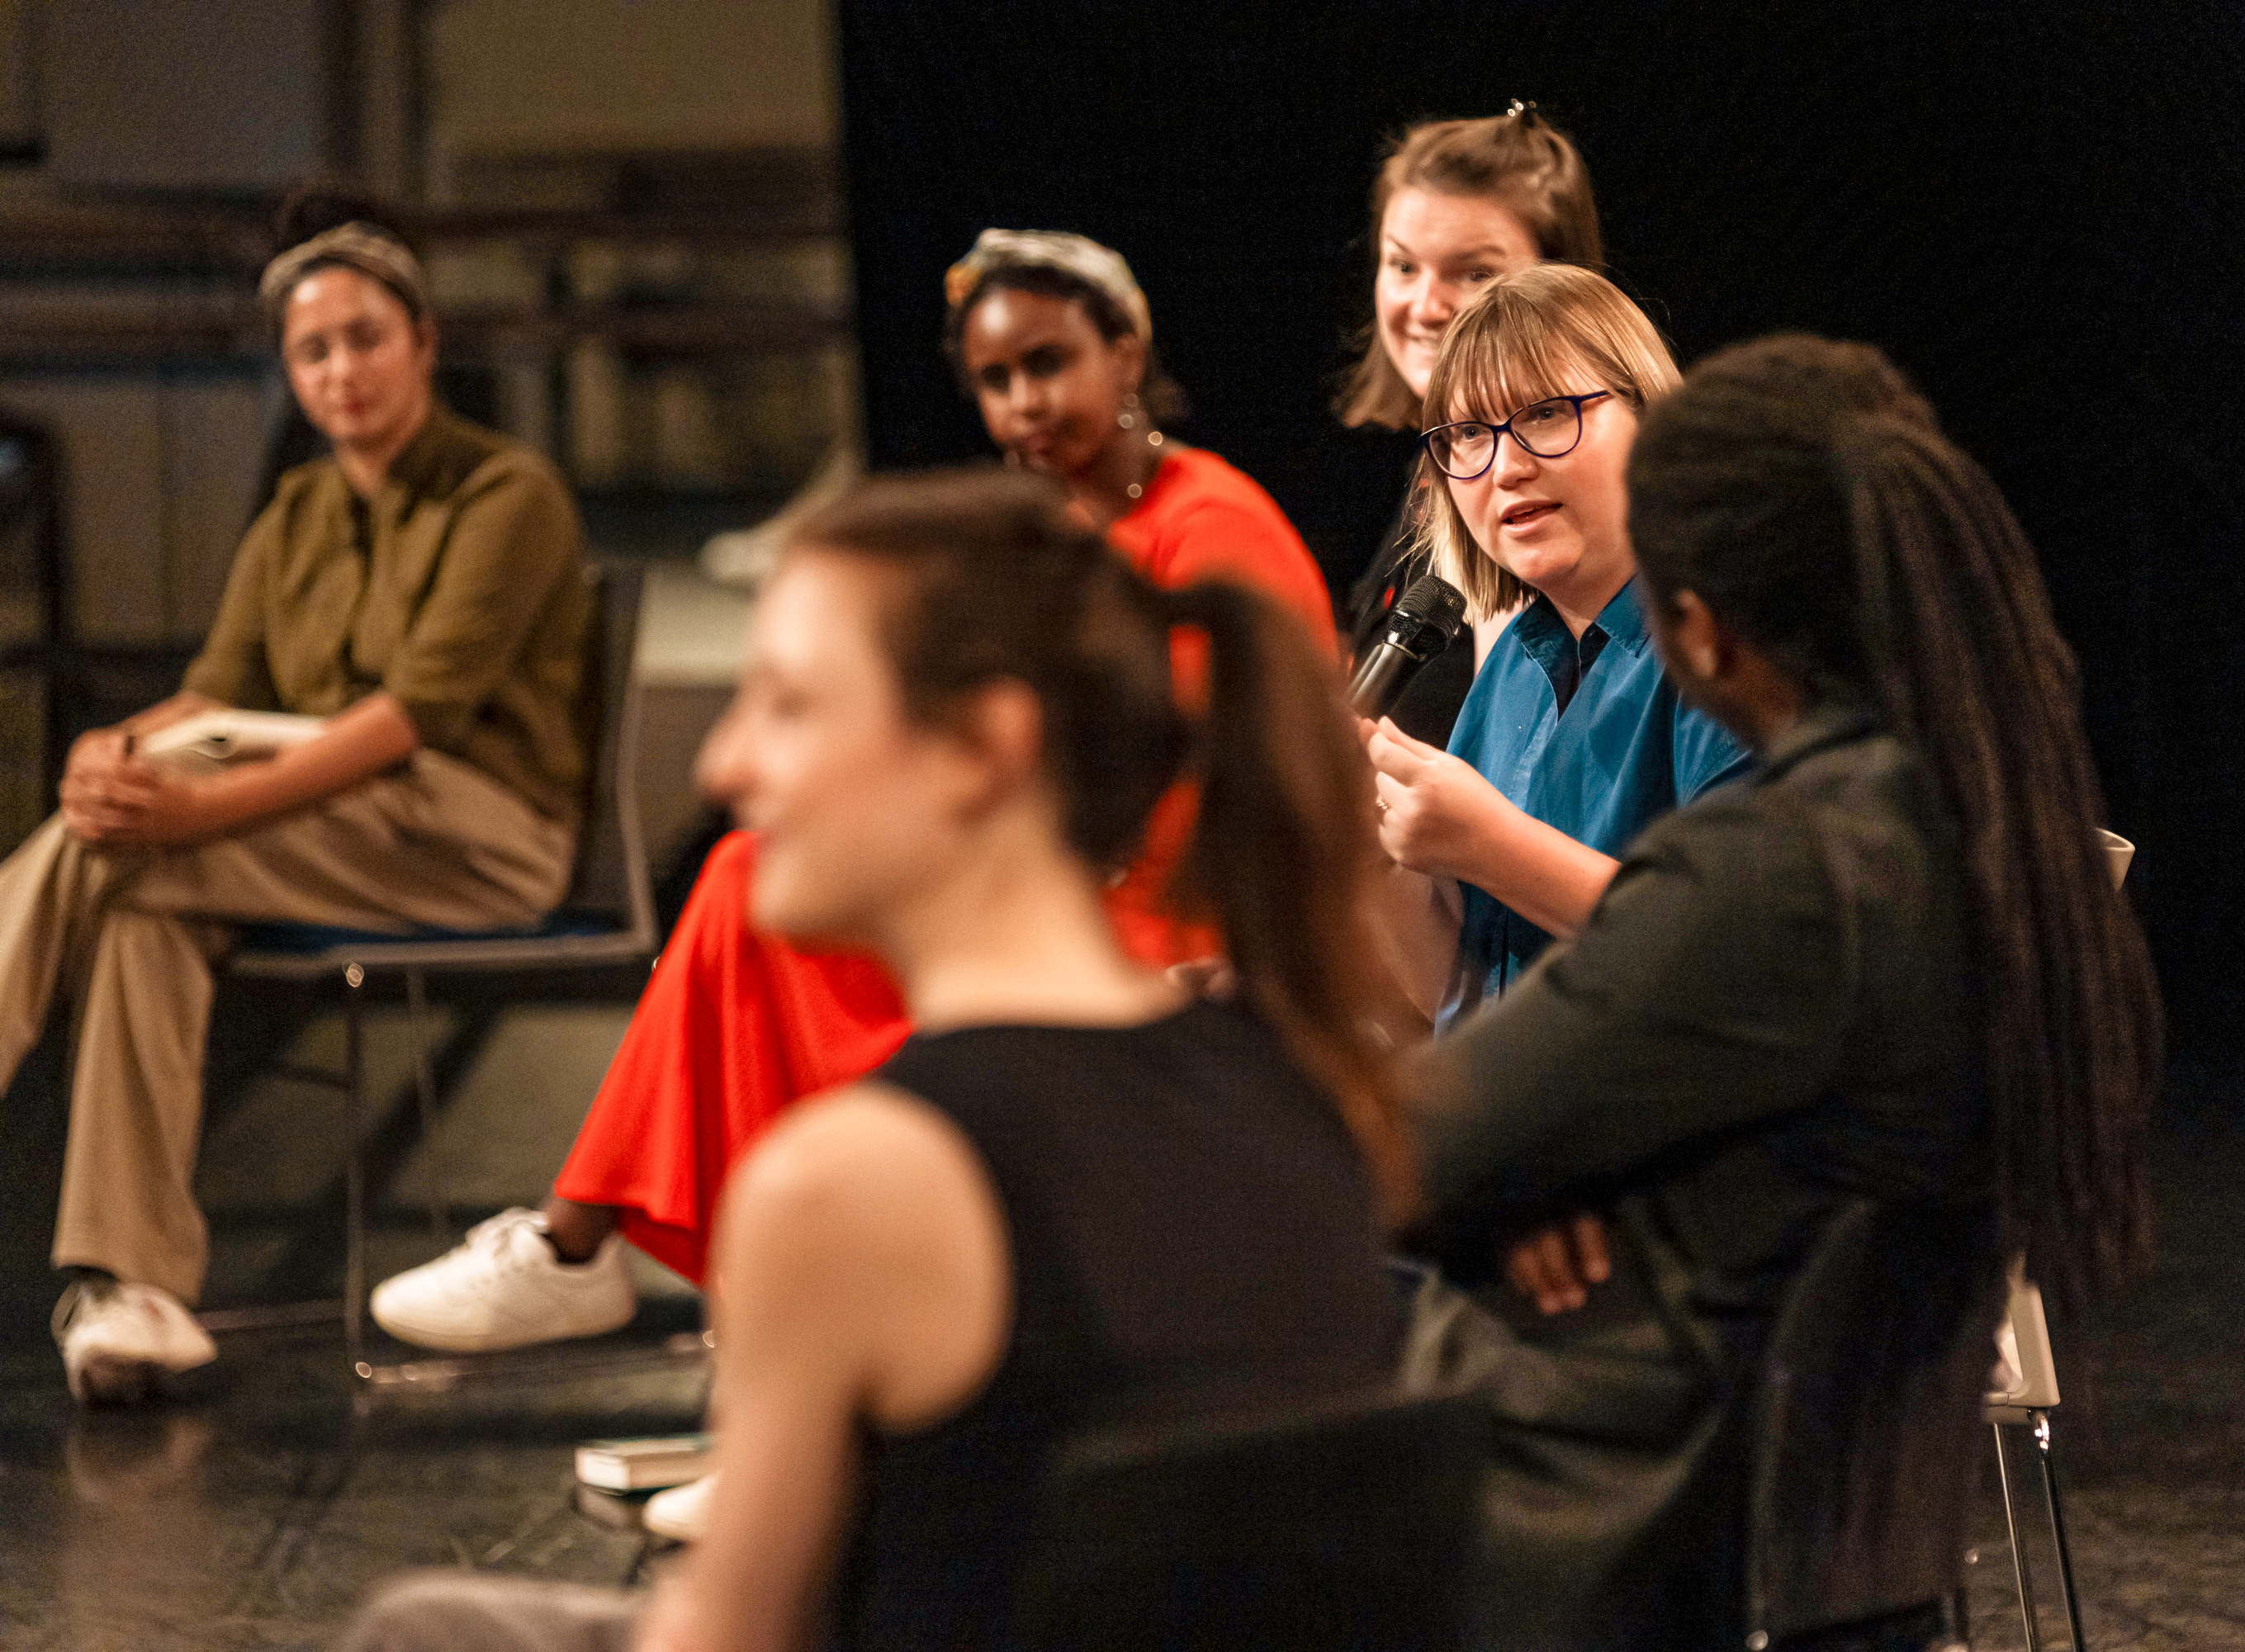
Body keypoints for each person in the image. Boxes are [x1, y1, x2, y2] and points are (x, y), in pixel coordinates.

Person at [341, 468, 1404, 1652]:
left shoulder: (850, 1186)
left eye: (790, 705)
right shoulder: (1305, 1088)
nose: (725, 764)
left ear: (982, 748)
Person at [368, 230, 1335, 1356]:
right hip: (1064, 884)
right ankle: (664, 1289)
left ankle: (624, 1268)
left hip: (1168, 917)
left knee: (760, 892)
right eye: (995, 380)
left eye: (1048, 363)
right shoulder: (1048, 530)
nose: (1024, 402)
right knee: (746, 876)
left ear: (1127, 353)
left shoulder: (1206, 525)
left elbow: (1193, 799)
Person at [1402, 334, 2163, 1648]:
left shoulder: (1790, 871)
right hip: (1850, 1563)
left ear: (1696, 620)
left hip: (1667, 1554)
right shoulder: (1971, 821)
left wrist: (1529, 1168)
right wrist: (1548, 1168)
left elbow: (1412, 1146)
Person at [0, 192, 591, 1403]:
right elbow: (214, 693)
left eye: (367, 337)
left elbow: (406, 722)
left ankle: (129, 1272)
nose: (342, 370)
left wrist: (191, 812)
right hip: (326, 830)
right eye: (313, 350)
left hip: (480, 835)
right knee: (138, 896)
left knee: (144, 846)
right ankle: (138, 1289)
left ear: (425, 340)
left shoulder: (506, 493)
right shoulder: (300, 511)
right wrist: (110, 754)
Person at [1363, 263, 1750, 1032]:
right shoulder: (1510, 668)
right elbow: (1458, 991)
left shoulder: (1728, 640)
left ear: (1650, 419)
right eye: (1468, 434)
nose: (1505, 467)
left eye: (1545, 413)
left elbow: (1739, 945)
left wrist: (1491, 843)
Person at [1338, 100, 1602, 749]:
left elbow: (1519, 768)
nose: (1426, 306)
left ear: (1561, 283)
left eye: (1476, 273)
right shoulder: (1435, 470)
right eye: (1403, 265)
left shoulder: (1528, 490)